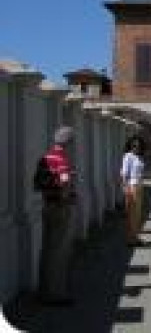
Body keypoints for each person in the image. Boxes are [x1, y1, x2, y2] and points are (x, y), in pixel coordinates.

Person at [37, 126, 77, 306]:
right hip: (59, 208)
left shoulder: (46, 157)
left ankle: (44, 291)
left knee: (46, 249)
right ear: (68, 142)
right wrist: (68, 199)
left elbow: (38, 183)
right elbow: (65, 184)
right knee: (59, 251)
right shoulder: (62, 159)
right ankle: (57, 294)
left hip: (47, 205)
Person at [121, 137, 145, 247]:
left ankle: (135, 237)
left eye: (138, 145)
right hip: (132, 186)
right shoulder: (128, 156)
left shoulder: (138, 157)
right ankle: (130, 240)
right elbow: (124, 174)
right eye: (134, 145)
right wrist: (126, 189)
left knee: (138, 214)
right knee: (132, 214)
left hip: (139, 185)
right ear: (130, 146)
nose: (136, 147)